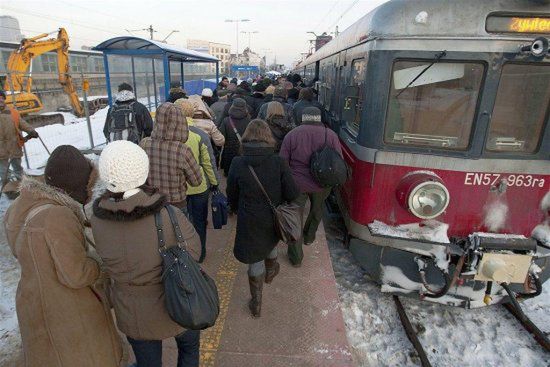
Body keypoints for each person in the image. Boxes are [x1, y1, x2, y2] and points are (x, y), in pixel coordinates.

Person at [4, 145, 123, 367]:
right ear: (78, 186)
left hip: (33, 302)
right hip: (65, 313)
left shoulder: (21, 205)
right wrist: (100, 264)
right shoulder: (58, 216)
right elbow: (76, 274)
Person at [91, 141, 202, 367]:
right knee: (189, 349)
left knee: (147, 363)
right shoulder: (169, 215)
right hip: (179, 302)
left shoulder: (97, 220)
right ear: (143, 170)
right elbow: (195, 252)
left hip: (133, 312)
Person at [226, 119, 299, 317]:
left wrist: (234, 208)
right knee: (271, 242)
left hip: (249, 218)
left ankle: (256, 301)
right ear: (268, 137)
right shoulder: (279, 162)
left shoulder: (238, 162)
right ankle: (271, 270)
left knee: (254, 257)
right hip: (273, 215)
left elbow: (231, 192)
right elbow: (292, 193)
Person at [279, 107, 343, 267]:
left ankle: (296, 257)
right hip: (322, 183)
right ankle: (309, 237)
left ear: (303, 117)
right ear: (319, 118)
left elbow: (282, 162)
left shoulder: (292, 135)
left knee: (294, 218)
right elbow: (338, 160)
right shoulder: (331, 135)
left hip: (297, 183)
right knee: (317, 210)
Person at [174, 99, 219, 263]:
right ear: (192, 112)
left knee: (181, 221)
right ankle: (200, 252)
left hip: (178, 187)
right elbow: (208, 163)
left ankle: (185, 253)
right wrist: (214, 182)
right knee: (199, 221)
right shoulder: (200, 135)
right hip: (200, 186)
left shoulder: (169, 134)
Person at [140, 102, 202, 211]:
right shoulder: (183, 150)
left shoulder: (144, 144)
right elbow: (196, 181)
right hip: (176, 205)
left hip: (151, 202)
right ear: (181, 122)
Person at [0, 90, 39, 195]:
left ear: (4, 99)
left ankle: (22, 189)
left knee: (18, 170)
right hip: (1, 149)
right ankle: (8, 190)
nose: (0, 100)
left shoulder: (13, 112)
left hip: (14, 146)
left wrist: (31, 131)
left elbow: (22, 123)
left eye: (1, 98)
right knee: (4, 173)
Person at [219, 98, 251, 176]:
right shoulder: (249, 121)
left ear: (232, 106)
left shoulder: (226, 120)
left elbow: (221, 136)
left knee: (229, 174)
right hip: (244, 151)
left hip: (229, 151)